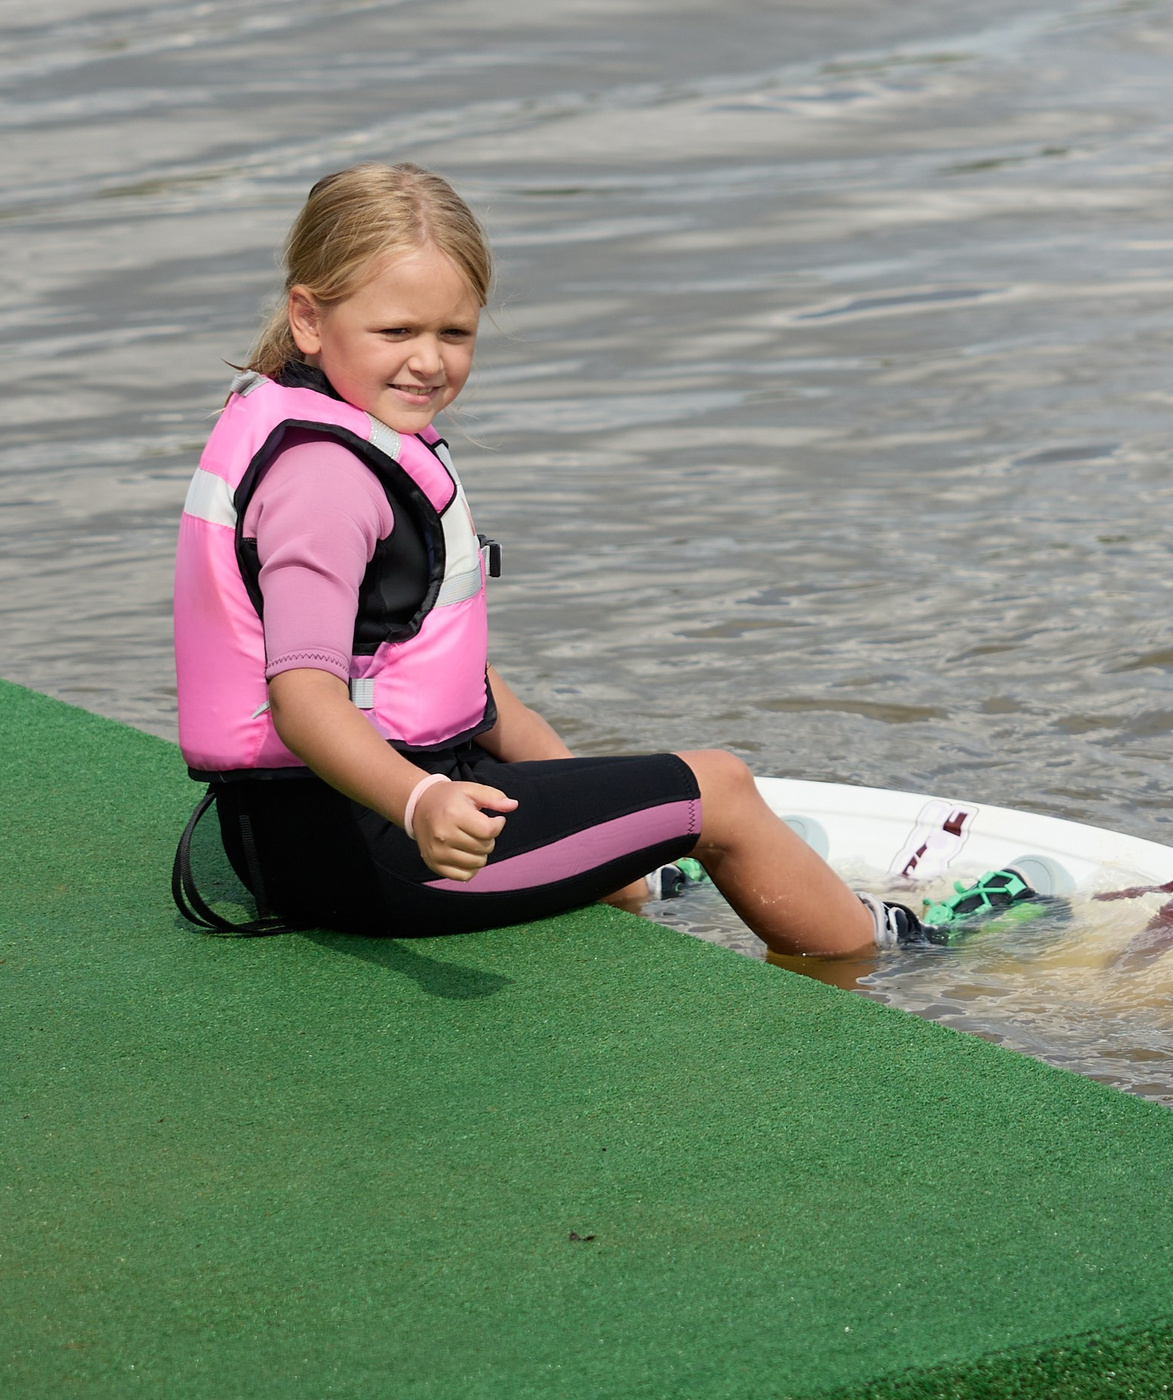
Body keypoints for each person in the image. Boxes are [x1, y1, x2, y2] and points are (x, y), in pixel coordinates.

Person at [171, 162, 927, 952]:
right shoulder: (323, 481)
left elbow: (450, 680)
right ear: (309, 319)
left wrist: (610, 826)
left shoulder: (325, 425)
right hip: (373, 851)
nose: (428, 360)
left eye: (453, 333)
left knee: (634, 815)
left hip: (324, 837)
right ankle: (881, 957)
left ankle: (642, 877)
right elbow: (303, 697)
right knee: (723, 792)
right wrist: (423, 799)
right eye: (397, 332)